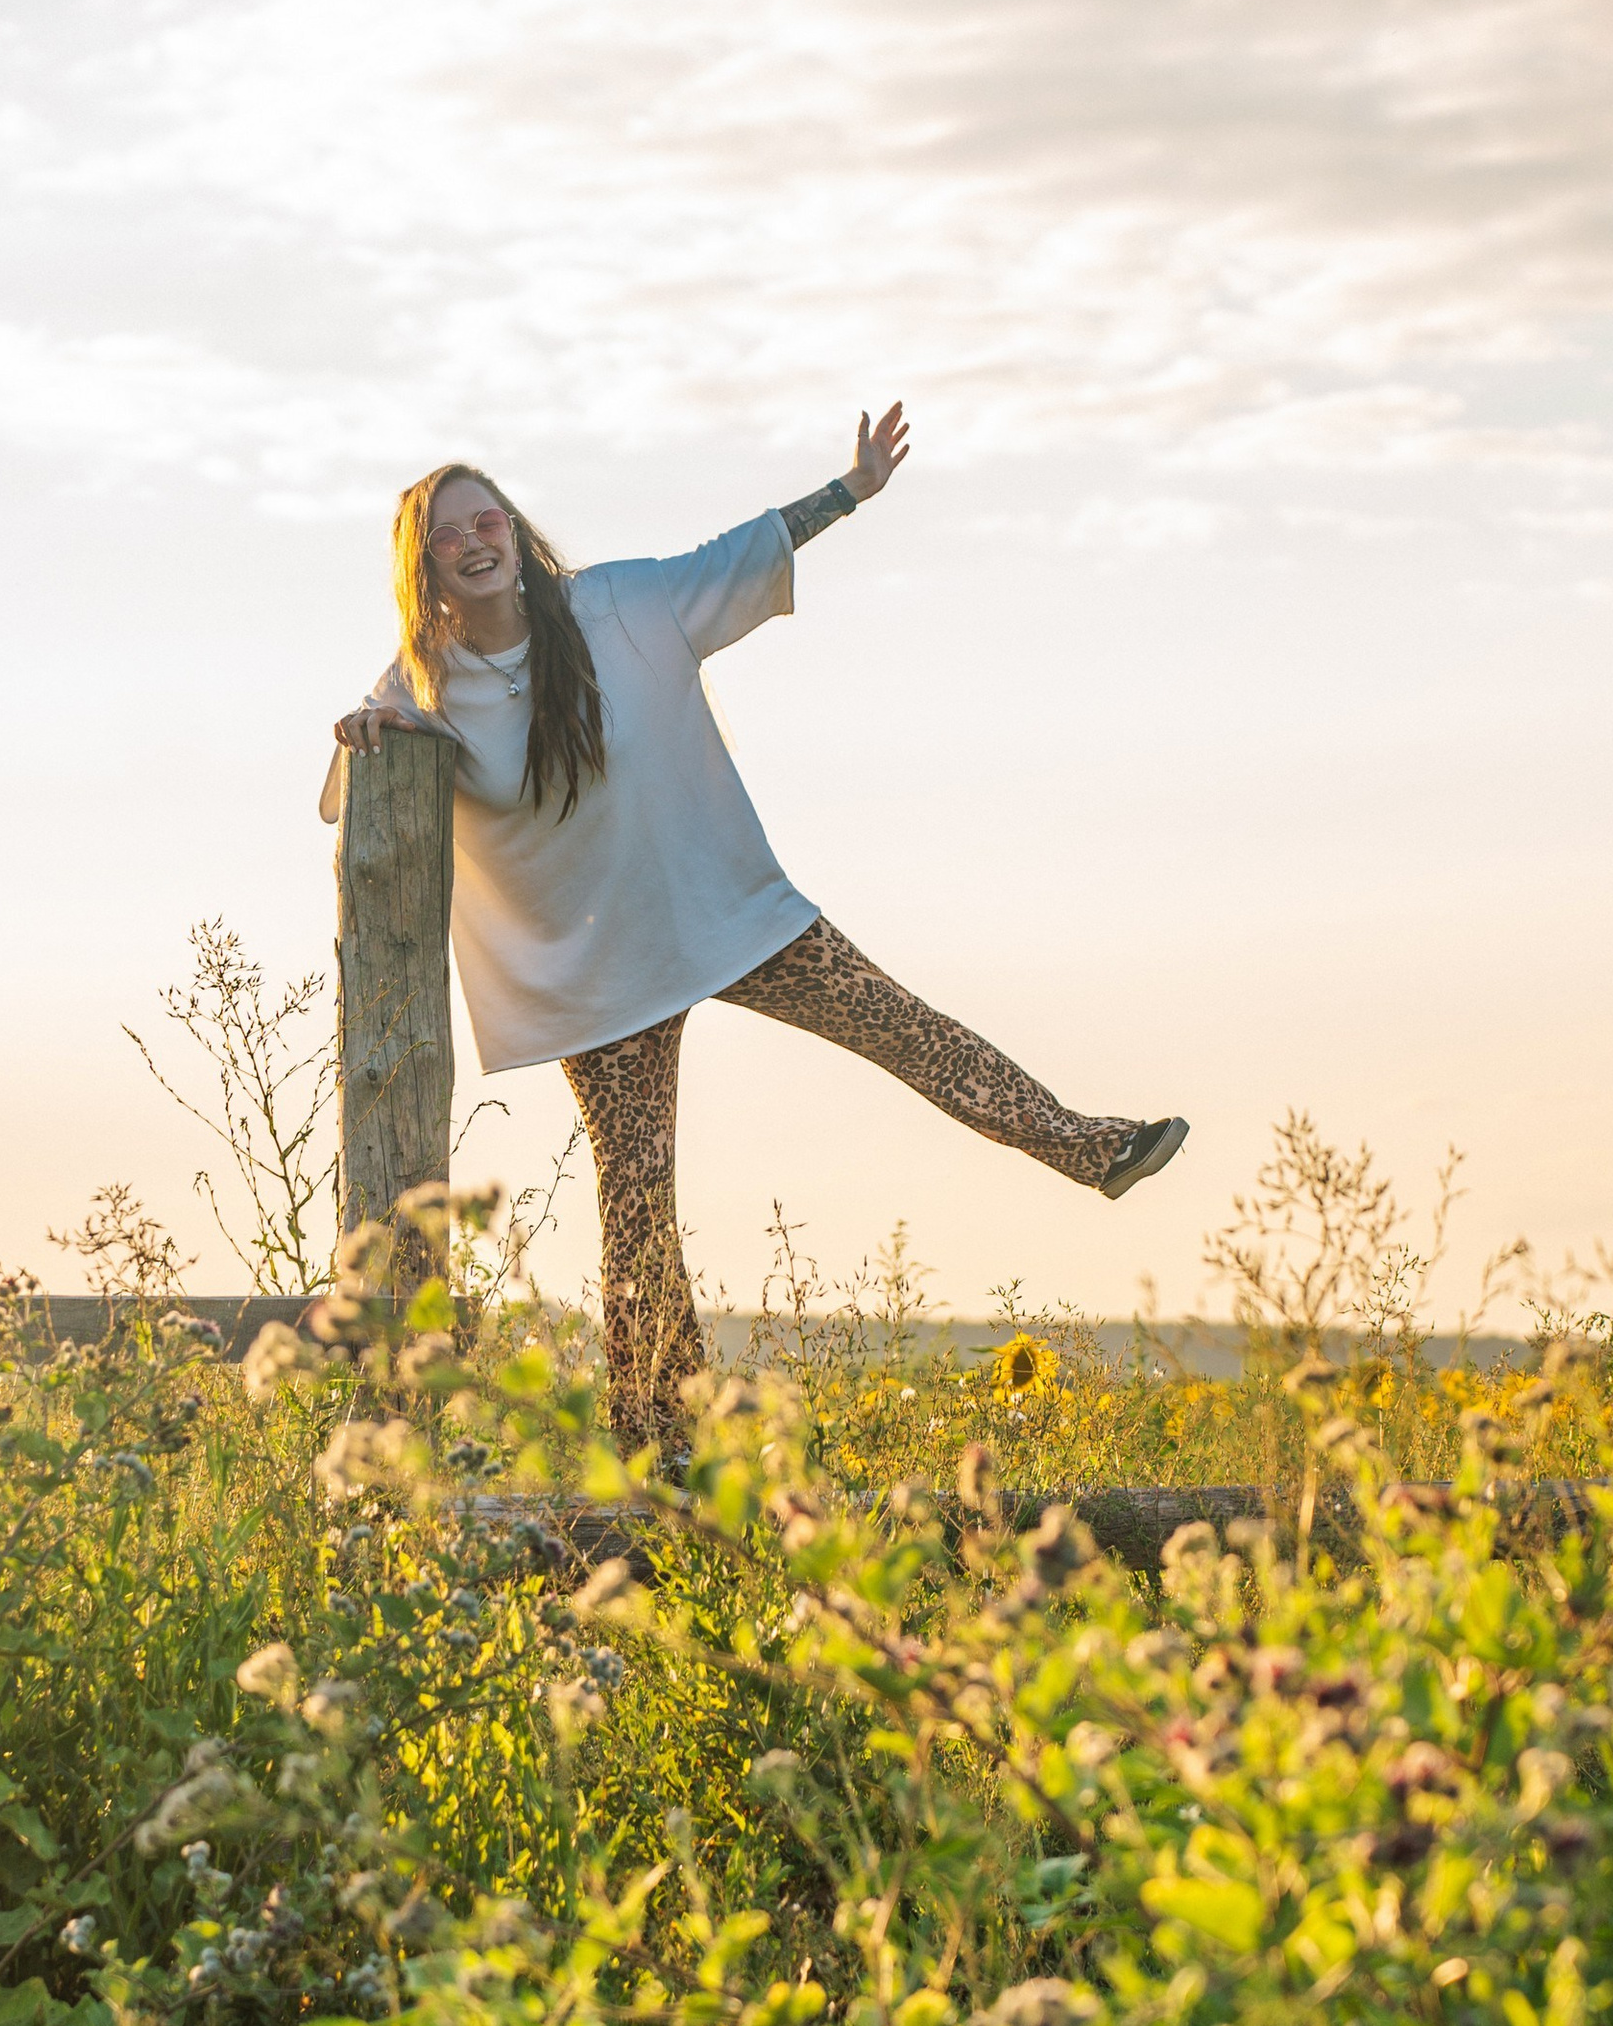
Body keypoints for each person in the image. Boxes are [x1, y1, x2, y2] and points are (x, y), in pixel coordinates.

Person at [325, 410, 1186, 1456]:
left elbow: (738, 553)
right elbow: (345, 795)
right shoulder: (420, 682)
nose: (474, 539)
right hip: (604, 972)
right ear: (426, 569)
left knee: (900, 1026)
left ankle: (1095, 1148)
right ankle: (663, 1437)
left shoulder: (621, 604)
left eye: (486, 517)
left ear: (513, 528)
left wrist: (851, 488)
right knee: (637, 1196)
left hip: (725, 911)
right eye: (448, 535)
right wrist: (379, 730)